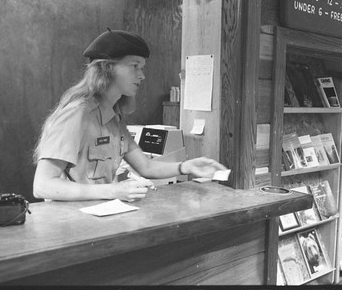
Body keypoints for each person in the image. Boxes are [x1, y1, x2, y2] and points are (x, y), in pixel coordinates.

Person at [33, 29, 227, 202]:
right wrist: (114, 191)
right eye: (135, 66)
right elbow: (42, 186)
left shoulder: (114, 116)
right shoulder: (77, 114)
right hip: (71, 223)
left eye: (142, 68)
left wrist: (186, 167)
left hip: (102, 217)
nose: (142, 75)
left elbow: (146, 167)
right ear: (107, 68)